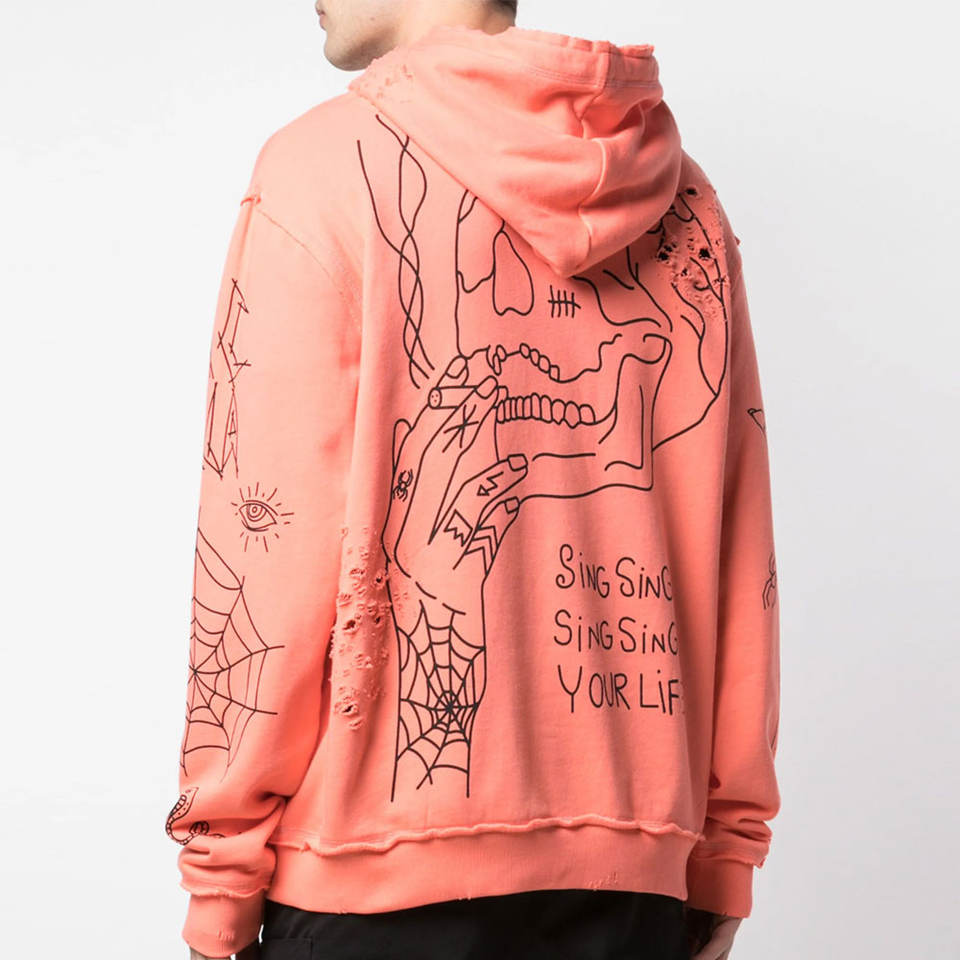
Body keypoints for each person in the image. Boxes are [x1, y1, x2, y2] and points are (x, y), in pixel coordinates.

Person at [165, 2, 782, 958]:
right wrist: (724, 850)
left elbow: (266, 550)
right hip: (634, 881)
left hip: (371, 881)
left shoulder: (321, 169)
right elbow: (737, 547)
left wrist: (220, 871)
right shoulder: (687, 198)